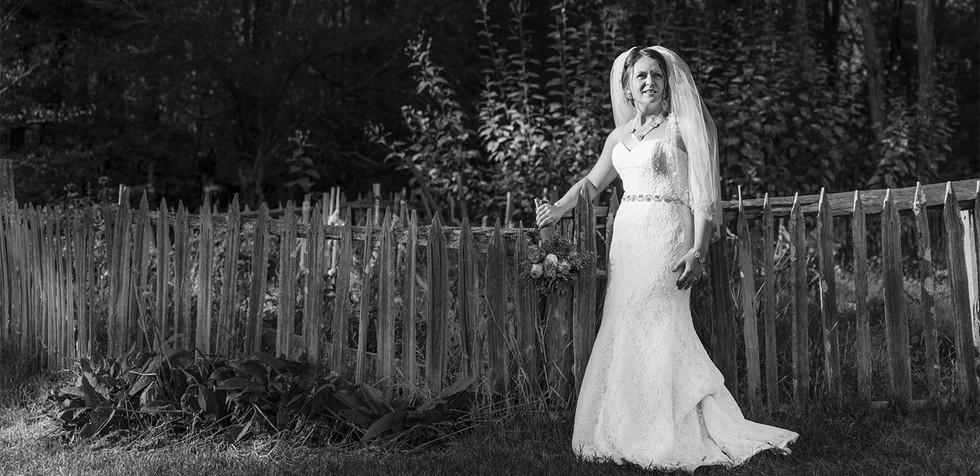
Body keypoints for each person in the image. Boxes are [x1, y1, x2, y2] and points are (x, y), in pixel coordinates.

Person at [535, 46, 799, 473]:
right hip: (628, 242)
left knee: (661, 324)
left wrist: (697, 249)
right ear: (627, 86)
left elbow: (702, 195)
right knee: (623, 321)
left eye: (656, 75)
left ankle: (671, 428)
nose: (649, 83)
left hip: (666, 239)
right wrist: (558, 208)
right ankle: (624, 424)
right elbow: (590, 185)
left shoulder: (681, 129)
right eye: (640, 76)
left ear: (667, 82)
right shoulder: (618, 138)